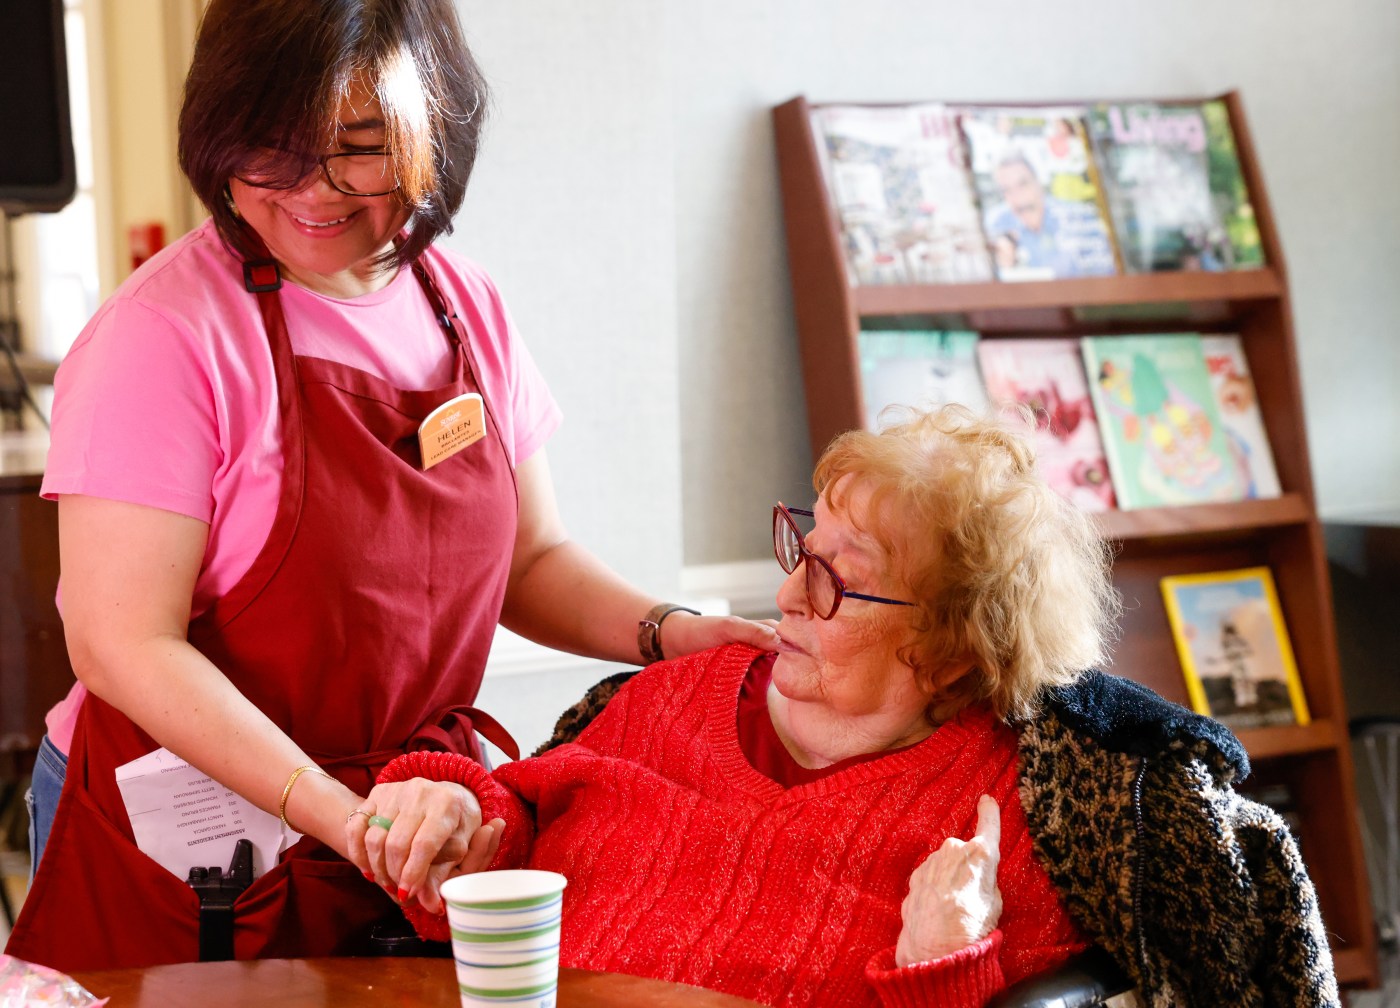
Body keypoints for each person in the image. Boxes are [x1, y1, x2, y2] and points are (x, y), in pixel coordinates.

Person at [6, 0, 776, 972]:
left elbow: (528, 560)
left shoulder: (461, 304)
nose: (310, 190)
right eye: (269, 146)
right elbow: (124, 644)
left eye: (356, 150)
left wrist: (671, 633)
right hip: (191, 843)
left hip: (404, 820)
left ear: (432, 131)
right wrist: (343, 815)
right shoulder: (161, 337)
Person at [352, 405, 1340, 1007]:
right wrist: (452, 813)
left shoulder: (1008, 824)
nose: (784, 595)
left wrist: (943, 961)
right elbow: (507, 830)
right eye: (800, 547)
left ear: (954, 651)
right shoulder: (675, 696)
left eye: (837, 581)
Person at [984, 151, 1115, 280]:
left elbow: (1106, 271)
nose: (1017, 196)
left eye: (1023, 184)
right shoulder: (995, 224)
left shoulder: (1079, 217)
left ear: (1038, 182)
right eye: (1006, 190)